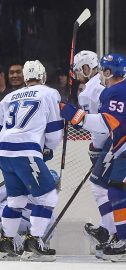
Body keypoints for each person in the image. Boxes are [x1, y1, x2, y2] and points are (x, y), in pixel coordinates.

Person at [0, 60, 64, 261]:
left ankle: (6, 244)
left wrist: (8, 148)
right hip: (26, 152)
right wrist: (46, 148)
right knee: (48, 197)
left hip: (4, 154)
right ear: (43, 76)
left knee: (16, 200)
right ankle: (34, 244)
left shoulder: (9, 96)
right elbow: (55, 132)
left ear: (25, 77)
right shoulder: (49, 93)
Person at [60, 53, 126, 262]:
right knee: (115, 190)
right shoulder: (113, 90)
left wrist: (76, 116)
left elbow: (107, 122)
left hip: (121, 147)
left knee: (114, 190)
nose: (100, 74)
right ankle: (117, 236)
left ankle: (118, 237)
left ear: (108, 72)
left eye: (103, 70)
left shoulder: (115, 91)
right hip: (119, 146)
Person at [73, 50, 116, 253]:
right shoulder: (105, 83)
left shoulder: (88, 92)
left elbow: (99, 125)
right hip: (116, 139)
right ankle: (109, 230)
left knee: (100, 187)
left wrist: (97, 148)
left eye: (79, 70)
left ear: (85, 67)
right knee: (109, 188)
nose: (79, 75)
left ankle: (110, 232)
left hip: (112, 142)